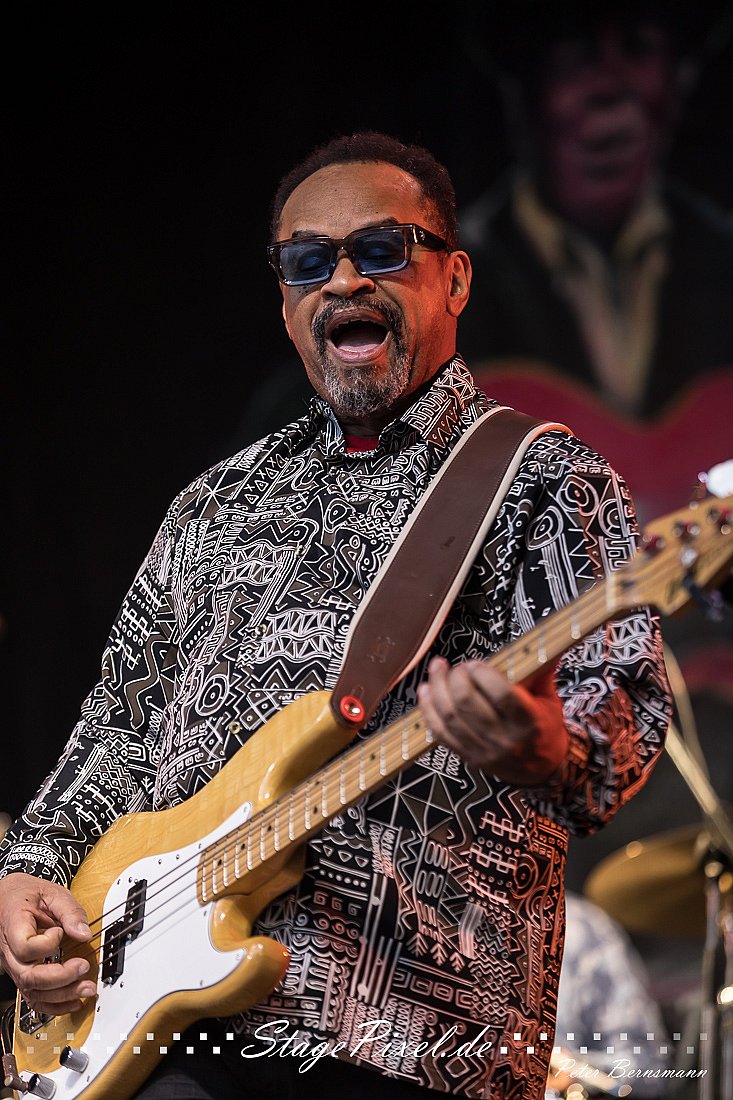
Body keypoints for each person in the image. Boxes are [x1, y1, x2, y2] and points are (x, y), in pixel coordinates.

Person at [0, 131, 671, 1100]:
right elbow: (119, 729)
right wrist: (28, 873)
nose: (344, 279)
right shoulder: (214, 503)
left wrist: (543, 746)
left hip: (406, 1051)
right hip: (153, 1038)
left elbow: (624, 709)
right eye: (308, 262)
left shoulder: (543, 481)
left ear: (455, 279)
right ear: (284, 301)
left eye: (381, 249)